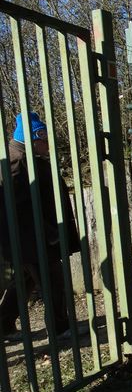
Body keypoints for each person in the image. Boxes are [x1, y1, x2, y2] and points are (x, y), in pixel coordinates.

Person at [0, 112, 81, 341]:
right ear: (34, 138)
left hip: (31, 239)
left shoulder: (27, 156)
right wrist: (49, 233)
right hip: (33, 239)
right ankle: (60, 328)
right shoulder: (16, 160)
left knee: (22, 282)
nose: (48, 145)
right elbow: (18, 208)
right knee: (53, 280)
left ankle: (3, 324)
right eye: (45, 140)